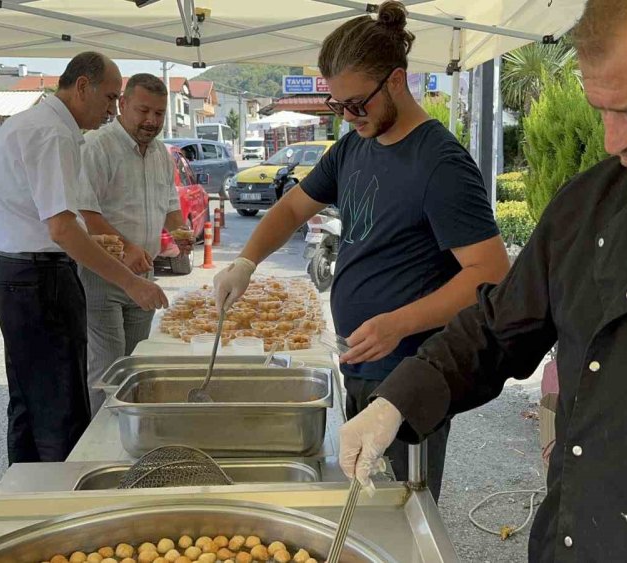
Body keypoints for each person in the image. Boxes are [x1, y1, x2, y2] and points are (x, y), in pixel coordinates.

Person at [340, 0, 627, 559]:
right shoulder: (591, 204)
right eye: (601, 109)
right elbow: (496, 329)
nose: (613, 140)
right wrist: (395, 403)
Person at [212, 0, 510, 501]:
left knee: (396, 505)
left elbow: (491, 272)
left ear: (397, 80)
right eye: (338, 106)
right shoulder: (354, 147)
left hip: (412, 373)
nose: (348, 117)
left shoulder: (440, 164)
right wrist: (246, 261)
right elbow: (290, 209)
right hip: (360, 361)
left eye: (356, 104)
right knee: (362, 496)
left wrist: (399, 323)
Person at [0, 52, 168, 464]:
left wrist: (98, 244)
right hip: (38, 275)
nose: (110, 108)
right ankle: (66, 498)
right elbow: (62, 228)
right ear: (82, 86)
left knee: (30, 396)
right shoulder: (55, 134)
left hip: (17, 270)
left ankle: (27, 487)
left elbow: (48, 218)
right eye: (109, 97)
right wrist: (131, 281)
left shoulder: (32, 123)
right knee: (59, 401)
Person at [78, 73, 193, 414]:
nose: (151, 120)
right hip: (104, 274)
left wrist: (180, 232)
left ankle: (131, 430)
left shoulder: (160, 152)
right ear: (123, 104)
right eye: (143, 110)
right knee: (109, 368)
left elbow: (169, 205)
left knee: (135, 361)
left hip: (145, 275)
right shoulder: (98, 146)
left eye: (159, 113)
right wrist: (126, 247)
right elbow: (85, 212)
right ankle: (103, 442)